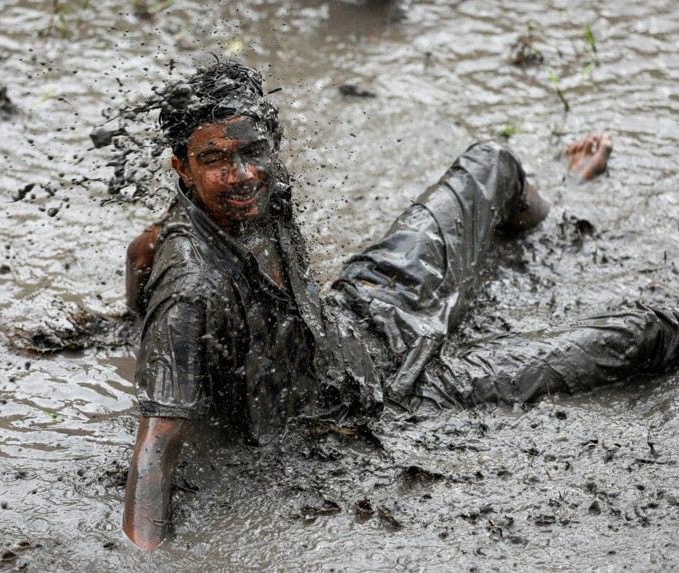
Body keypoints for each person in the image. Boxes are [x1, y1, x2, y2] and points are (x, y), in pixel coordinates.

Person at [121, 61, 679, 550]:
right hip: (377, 397)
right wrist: (146, 556)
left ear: (270, 143)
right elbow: (155, 451)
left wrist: (129, 322)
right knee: (644, 332)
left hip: (361, 317)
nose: (241, 174)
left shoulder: (253, 182)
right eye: (216, 159)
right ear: (183, 168)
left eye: (252, 151)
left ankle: (572, 194)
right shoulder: (190, 293)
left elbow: (143, 246)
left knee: (494, 163)